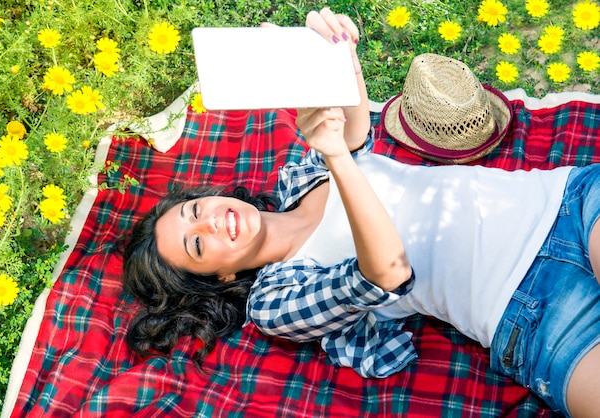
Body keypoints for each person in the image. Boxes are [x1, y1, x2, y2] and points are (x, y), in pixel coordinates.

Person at [119, 8, 600, 417]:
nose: (211, 221)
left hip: (563, 202)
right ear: (219, 278)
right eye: (198, 243)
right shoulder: (274, 302)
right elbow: (388, 274)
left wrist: (335, 54)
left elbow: (351, 126)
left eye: (196, 210)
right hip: (524, 309)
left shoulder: (299, 176)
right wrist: (337, 158)